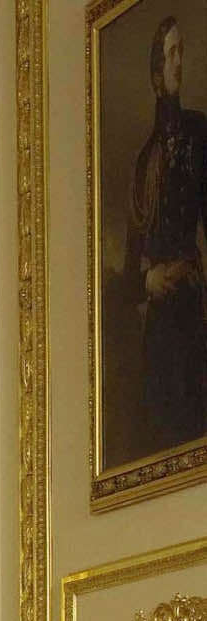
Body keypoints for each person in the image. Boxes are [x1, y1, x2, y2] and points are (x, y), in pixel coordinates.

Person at [127, 17, 207, 458]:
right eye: (171, 54)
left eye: (183, 52)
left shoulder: (200, 134)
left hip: (191, 307)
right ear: (157, 75)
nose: (181, 61)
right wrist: (147, 281)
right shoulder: (142, 164)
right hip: (158, 324)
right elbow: (127, 267)